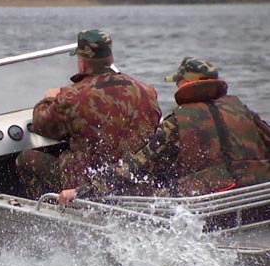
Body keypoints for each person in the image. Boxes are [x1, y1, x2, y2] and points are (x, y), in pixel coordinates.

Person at [58, 57, 270, 204]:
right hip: (256, 191)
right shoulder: (243, 111)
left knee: (147, 192)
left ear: (186, 83)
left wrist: (82, 191)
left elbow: (136, 166)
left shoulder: (178, 121)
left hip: (210, 200)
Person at [16, 29, 162, 199]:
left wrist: (49, 99)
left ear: (83, 64)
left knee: (26, 159)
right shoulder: (146, 91)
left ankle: (52, 211)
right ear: (111, 59)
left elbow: (43, 125)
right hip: (133, 180)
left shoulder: (73, 97)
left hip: (86, 182)